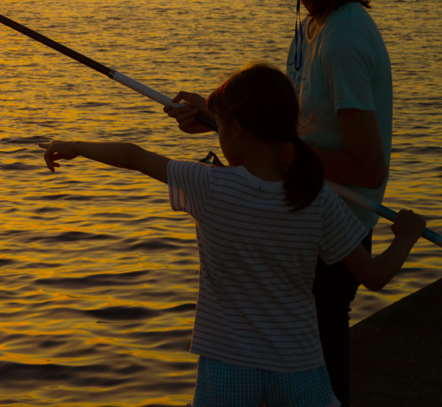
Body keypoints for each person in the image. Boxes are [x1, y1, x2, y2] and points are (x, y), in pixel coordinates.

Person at [40, 64, 424, 407]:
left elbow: (134, 155)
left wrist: (73, 145)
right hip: (299, 368)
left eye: (219, 125)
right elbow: (374, 277)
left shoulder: (208, 185)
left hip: (226, 367)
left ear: (237, 129)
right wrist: (406, 235)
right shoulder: (316, 197)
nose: (218, 134)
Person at [167, 0, 392, 406]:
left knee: (323, 377)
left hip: (333, 232)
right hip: (306, 218)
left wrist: (280, 151)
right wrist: (221, 117)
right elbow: (299, 128)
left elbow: (365, 165)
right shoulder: (314, 25)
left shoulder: (344, 40)